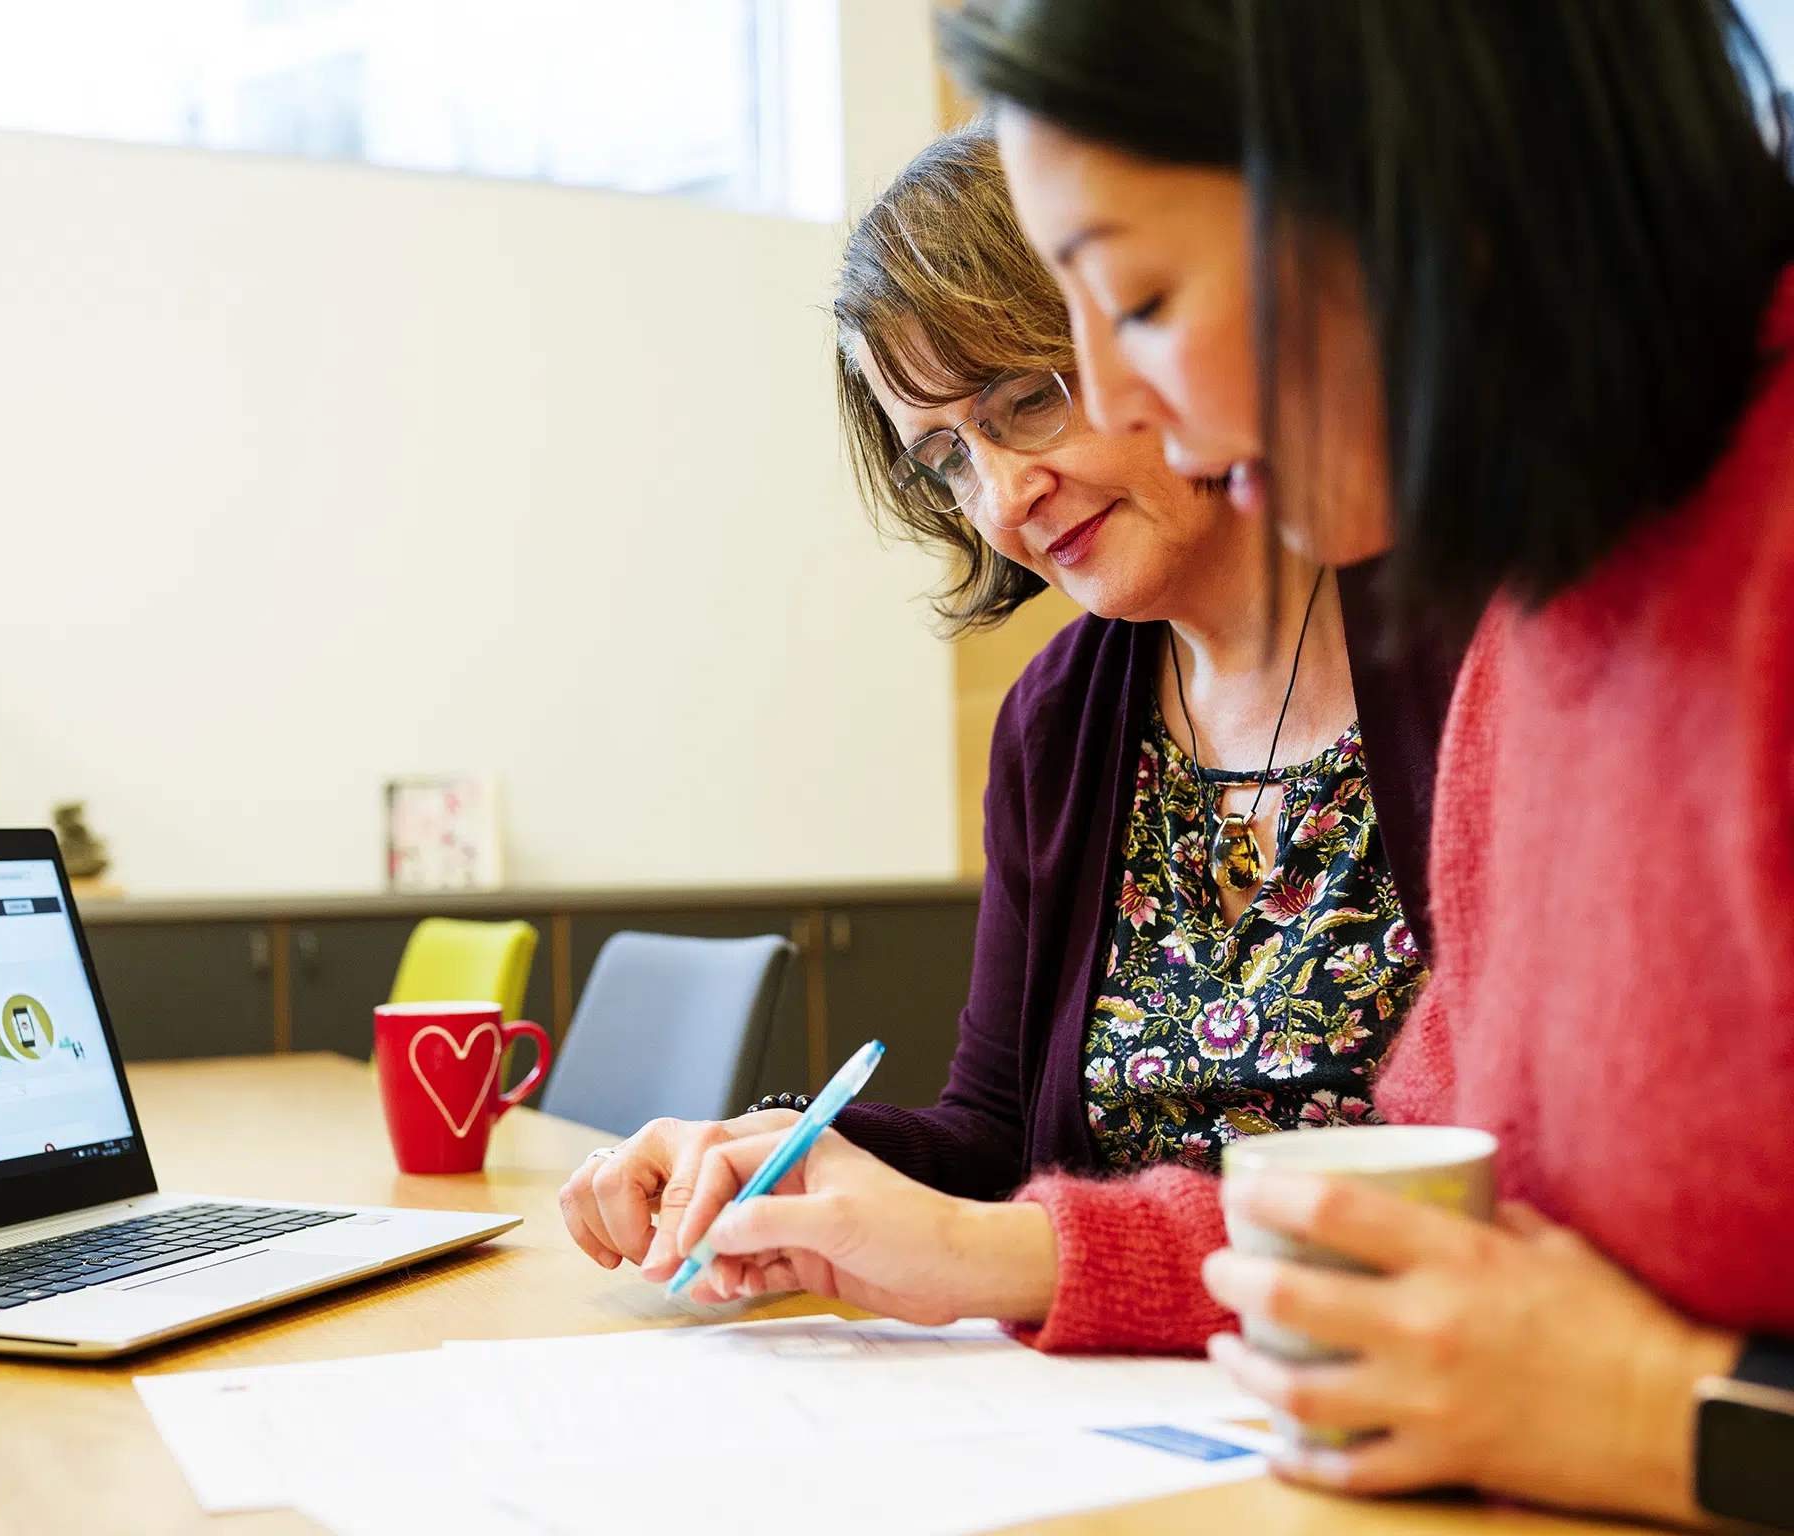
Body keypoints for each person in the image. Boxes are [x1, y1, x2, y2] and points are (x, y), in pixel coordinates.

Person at [655, 1, 1794, 1528]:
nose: (1115, 419)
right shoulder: (1551, 612)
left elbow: (1621, 1356)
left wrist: (1666, 1417)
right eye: (948, 455)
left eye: (1131, 304)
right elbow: (1397, 1193)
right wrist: (996, 1251)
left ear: (1393, 178)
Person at [559, 128, 1463, 1333]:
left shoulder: (1475, 649)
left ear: (1153, 337)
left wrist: (995, 1255)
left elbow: (1497, 1172)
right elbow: (992, 1140)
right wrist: (789, 1153)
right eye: (944, 459)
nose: (1001, 498)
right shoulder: (1054, 720)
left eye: (1025, 402)